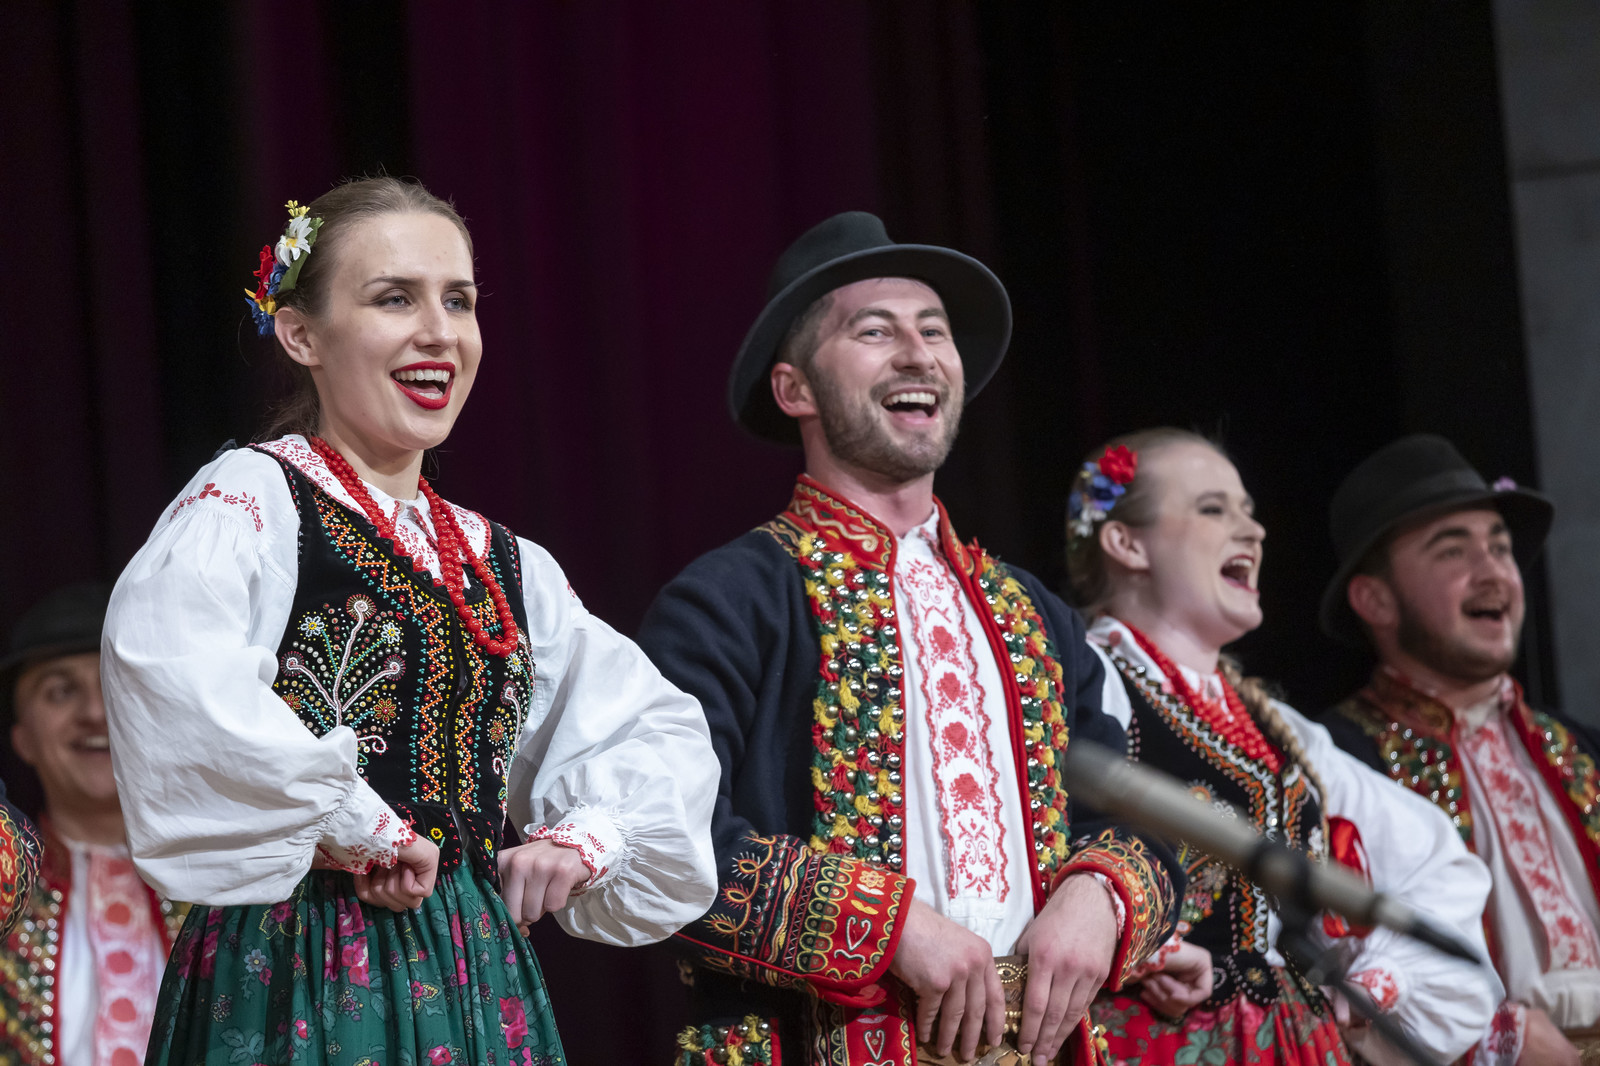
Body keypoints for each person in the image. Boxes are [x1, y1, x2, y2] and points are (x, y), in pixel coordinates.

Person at [101, 177, 718, 1065]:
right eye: (395, 298)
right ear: (302, 334)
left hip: (473, 962)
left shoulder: (506, 563)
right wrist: (358, 827)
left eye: (457, 301)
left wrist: (587, 839)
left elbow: (651, 730)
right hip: (302, 958)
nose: (439, 331)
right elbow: (173, 676)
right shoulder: (252, 498)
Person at [638, 212, 1180, 1066]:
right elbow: (658, 831)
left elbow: (1140, 813)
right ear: (796, 389)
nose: (918, 354)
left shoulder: (1033, 612)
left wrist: (1099, 897)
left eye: (934, 331)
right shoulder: (730, 600)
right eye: (875, 331)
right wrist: (889, 928)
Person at [1062, 427, 1499, 1066]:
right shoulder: (1086, 684)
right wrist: (1140, 945)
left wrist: (1380, 979)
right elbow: (1030, 849)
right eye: (1213, 509)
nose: (1254, 531)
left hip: (1295, 1045)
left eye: (1249, 510)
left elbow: (1438, 866)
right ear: (1126, 542)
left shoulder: (1275, 726)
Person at [1319, 433, 1600, 1066]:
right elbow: (1327, 971)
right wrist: (1494, 1042)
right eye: (1452, 550)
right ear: (1375, 599)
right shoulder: (1336, 762)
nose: (1494, 571)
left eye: (1499, 547)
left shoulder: (1580, 748)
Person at [0, 582, 172, 1066]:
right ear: (22, 738)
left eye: (116, 686)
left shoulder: (227, 885)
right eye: (61, 691)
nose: (96, 713)